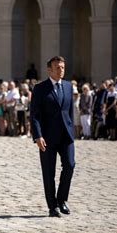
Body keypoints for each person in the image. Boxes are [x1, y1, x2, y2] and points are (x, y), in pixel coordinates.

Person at [30, 56, 75, 218]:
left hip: (66, 136)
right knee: (49, 173)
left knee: (70, 165)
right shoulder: (40, 88)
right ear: (49, 70)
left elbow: (70, 112)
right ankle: (52, 206)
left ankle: (62, 199)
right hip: (47, 138)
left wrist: (73, 132)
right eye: (57, 67)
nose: (61, 70)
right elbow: (34, 115)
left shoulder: (69, 87)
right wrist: (38, 136)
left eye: (63, 67)